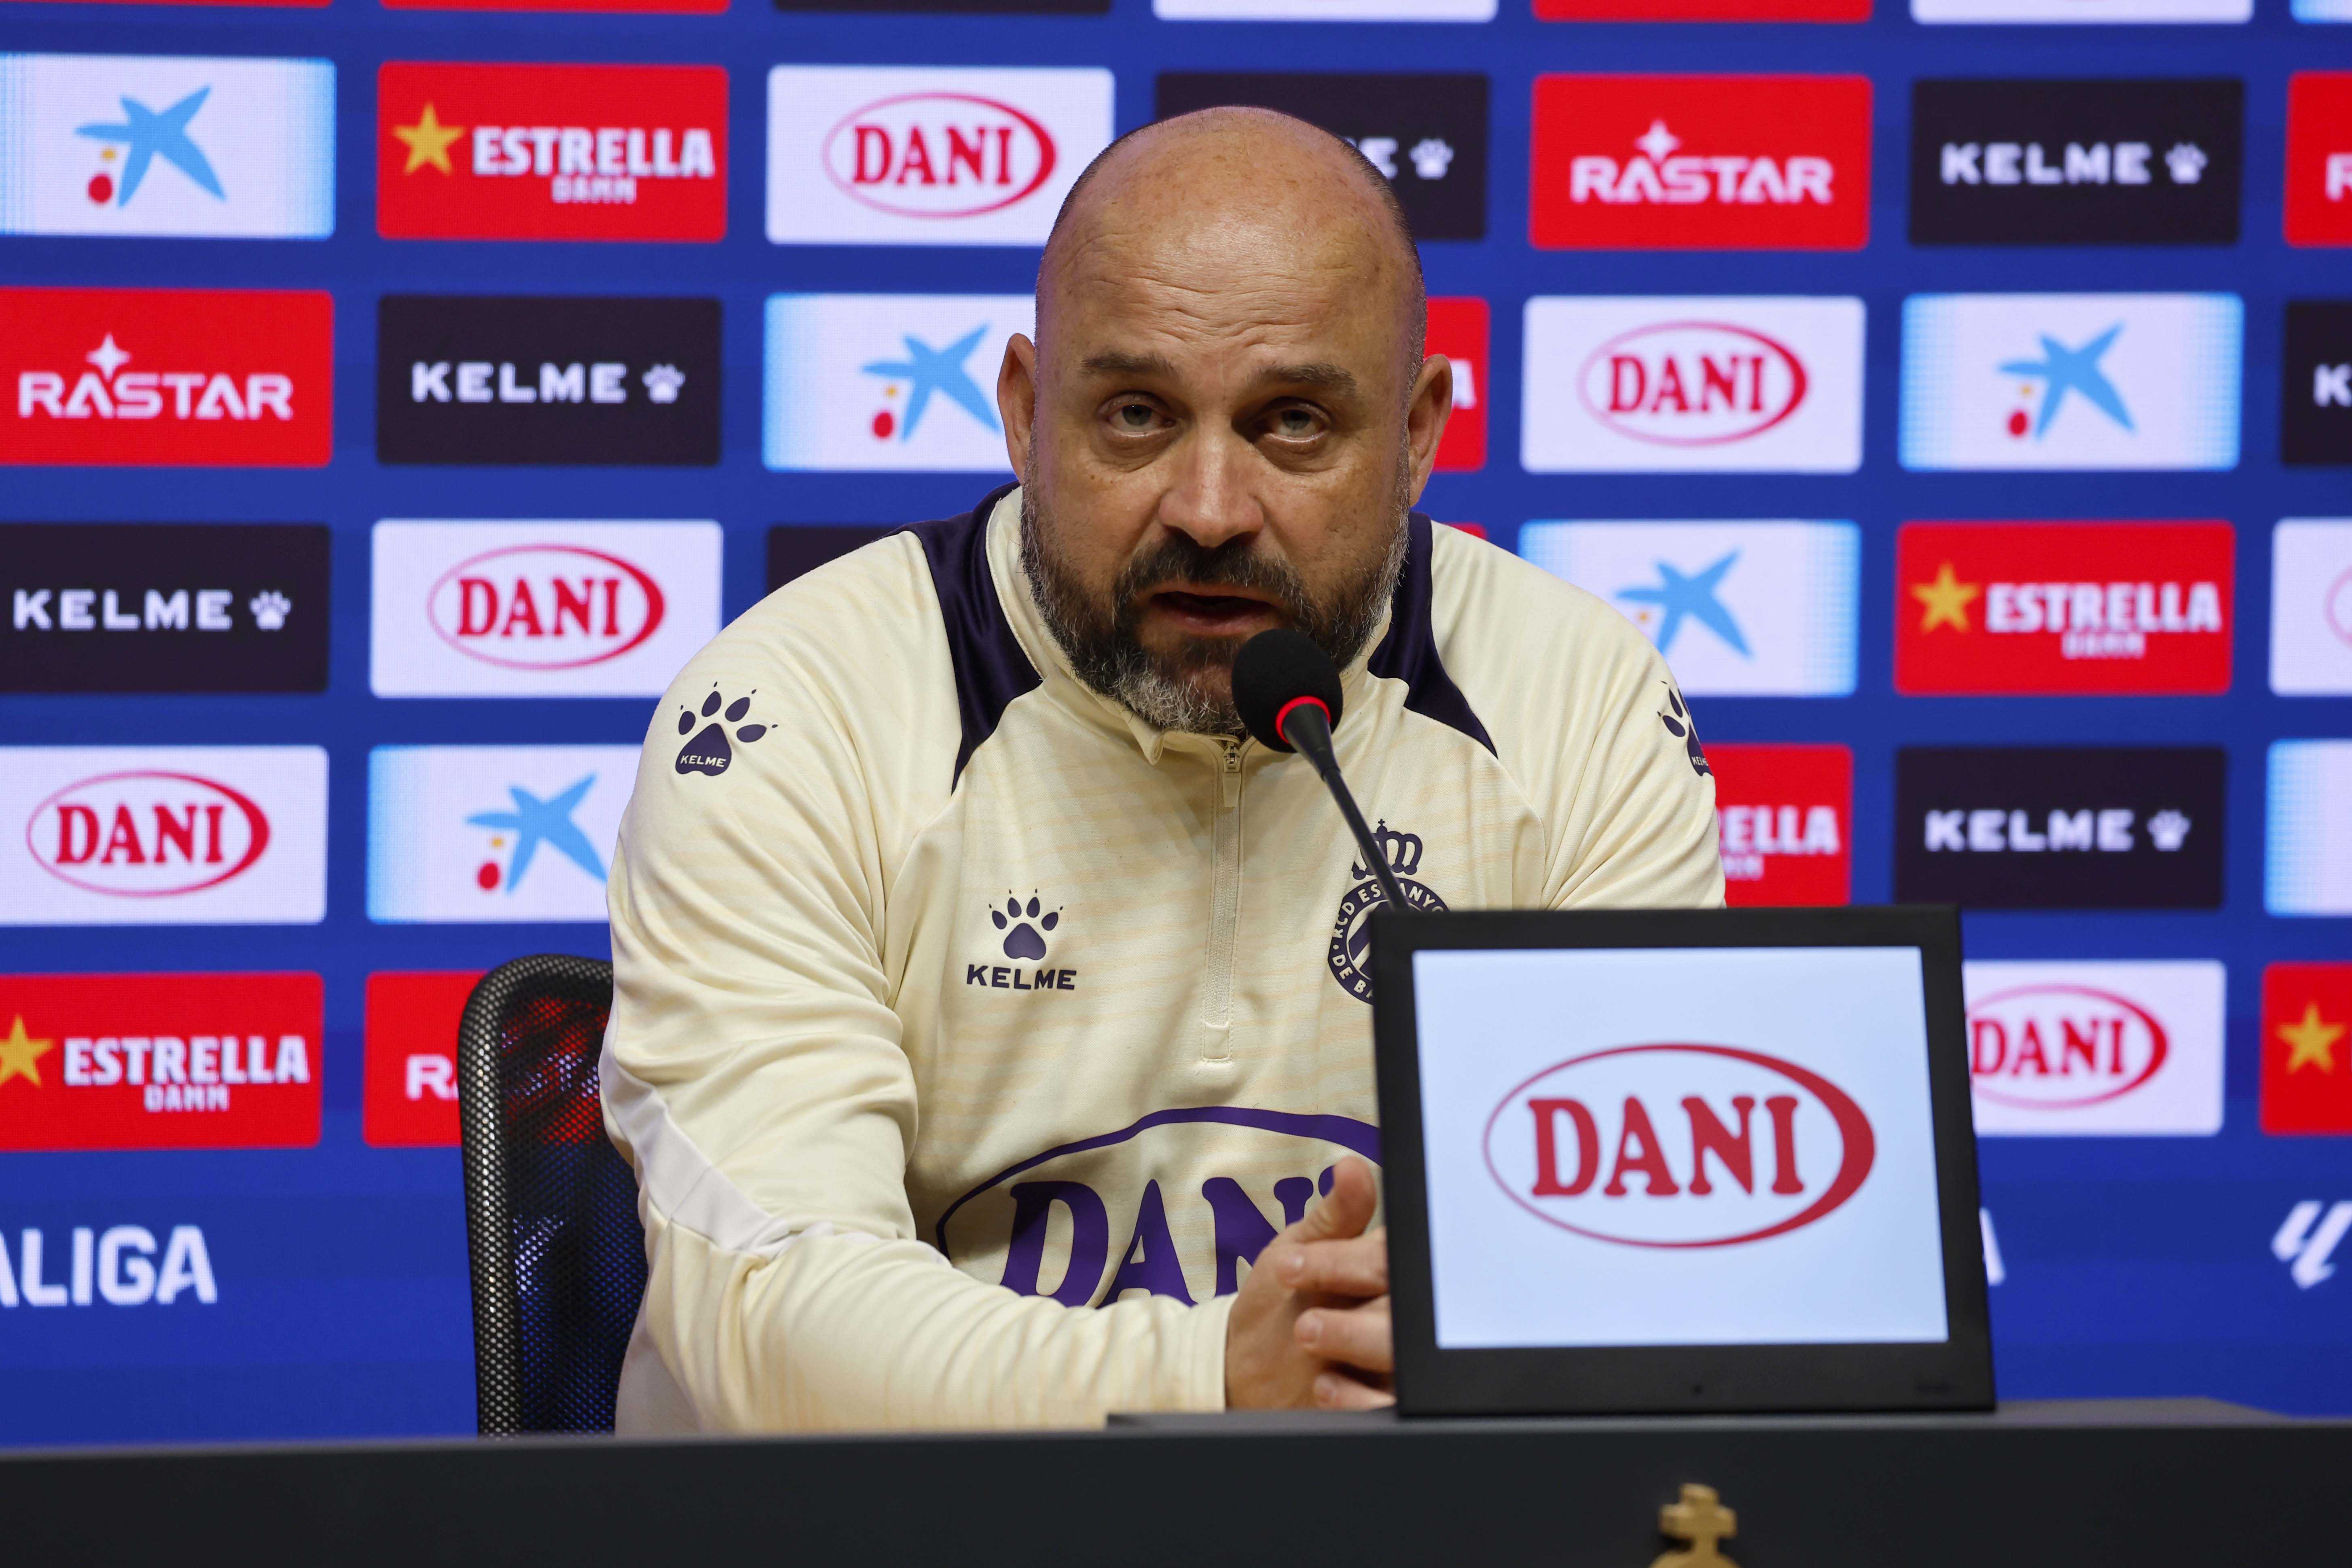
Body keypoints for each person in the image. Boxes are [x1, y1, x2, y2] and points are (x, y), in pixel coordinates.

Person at [601, 107, 1724, 1433]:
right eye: (1135, 416)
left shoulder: (1575, 702)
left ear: (1419, 432)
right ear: (1026, 415)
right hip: (903, 1522)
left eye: (1294, 423)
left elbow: (1642, 1266)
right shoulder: (799, 712)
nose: (1208, 508)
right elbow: (769, 1309)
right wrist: (1218, 1387)